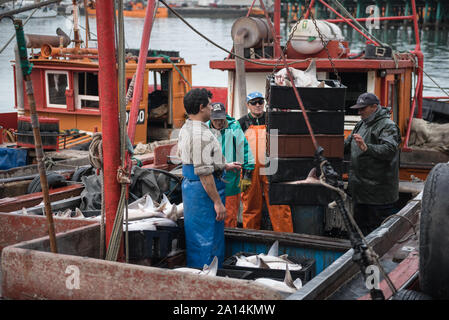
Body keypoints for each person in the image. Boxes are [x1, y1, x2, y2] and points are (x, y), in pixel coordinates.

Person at [177, 88, 241, 268]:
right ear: (201, 107)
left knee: (198, 236)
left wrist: (223, 165)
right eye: (210, 105)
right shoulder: (201, 135)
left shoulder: (187, 127)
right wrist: (217, 203)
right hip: (203, 192)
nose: (212, 108)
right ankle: (206, 276)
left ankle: (204, 273)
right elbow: (204, 173)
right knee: (207, 240)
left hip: (193, 189)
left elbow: (195, 160)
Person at [344, 92, 401, 235]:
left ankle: (375, 257)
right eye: (358, 109)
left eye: (362, 108)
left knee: (377, 235)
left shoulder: (388, 126)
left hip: (378, 196)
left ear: (374, 107)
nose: (359, 112)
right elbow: (347, 144)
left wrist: (367, 147)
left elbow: (390, 150)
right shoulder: (361, 124)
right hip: (360, 192)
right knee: (360, 232)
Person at [238, 91, 293, 232]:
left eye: (260, 102)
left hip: (272, 166)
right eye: (254, 102)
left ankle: (285, 239)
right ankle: (250, 238)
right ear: (248, 105)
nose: (257, 105)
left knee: (279, 204)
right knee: (250, 205)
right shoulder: (241, 123)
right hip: (249, 170)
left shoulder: (273, 119)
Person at [207, 102, 255, 228]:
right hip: (209, 179)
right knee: (211, 216)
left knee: (229, 217)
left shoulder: (234, 128)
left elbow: (244, 149)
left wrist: (248, 173)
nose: (218, 122)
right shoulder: (204, 129)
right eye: (215, 119)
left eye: (221, 119)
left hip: (230, 180)